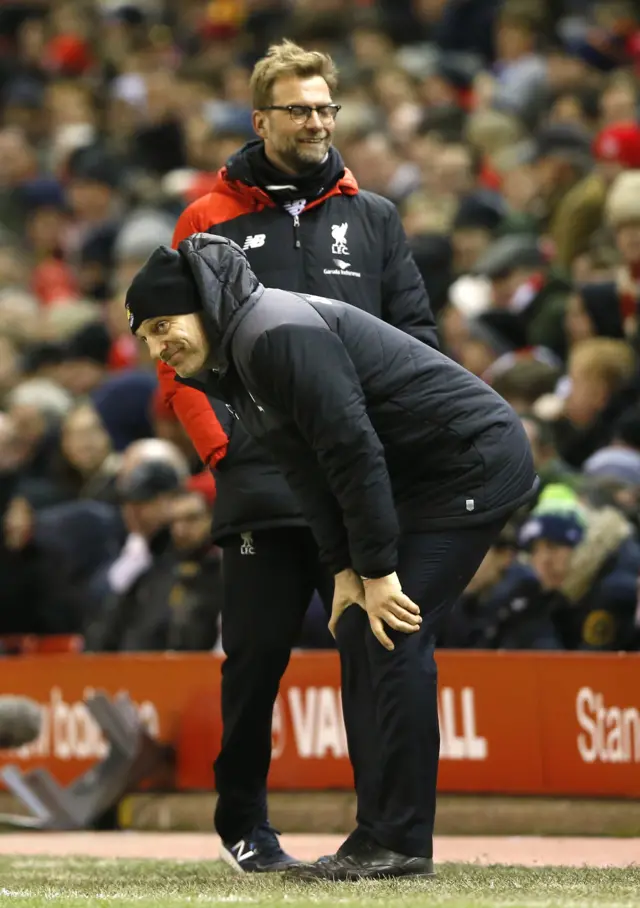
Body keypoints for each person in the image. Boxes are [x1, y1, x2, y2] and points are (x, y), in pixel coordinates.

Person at [125, 234, 538, 881]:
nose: (156, 348)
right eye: (144, 337)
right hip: (424, 474)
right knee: (359, 622)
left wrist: (374, 571)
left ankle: (398, 840)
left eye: (162, 326)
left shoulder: (272, 334)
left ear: (201, 308)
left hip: (471, 463)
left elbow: (353, 452)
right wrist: (346, 570)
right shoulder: (239, 352)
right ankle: (377, 833)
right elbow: (304, 469)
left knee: (392, 629)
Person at [156, 40, 439, 871]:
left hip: (355, 480)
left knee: (377, 654)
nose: (316, 122)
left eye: (326, 108)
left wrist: (389, 450)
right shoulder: (205, 220)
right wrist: (223, 450)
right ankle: (244, 824)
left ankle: (385, 835)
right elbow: (176, 355)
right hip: (261, 481)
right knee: (253, 663)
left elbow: (417, 342)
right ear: (261, 119)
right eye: (299, 109)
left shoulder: (375, 217)